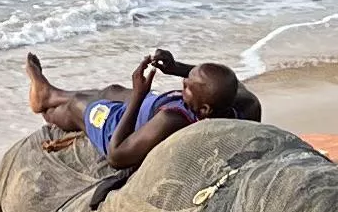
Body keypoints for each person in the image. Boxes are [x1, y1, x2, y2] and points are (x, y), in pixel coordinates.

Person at [24, 45, 262, 183]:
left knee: (78, 105)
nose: (183, 83)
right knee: (112, 91)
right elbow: (229, 83)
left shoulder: (173, 120)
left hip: (131, 125)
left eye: (187, 86)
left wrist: (138, 95)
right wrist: (175, 67)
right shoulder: (245, 107)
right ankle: (51, 93)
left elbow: (116, 157)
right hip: (156, 105)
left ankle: (46, 104)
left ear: (204, 110)